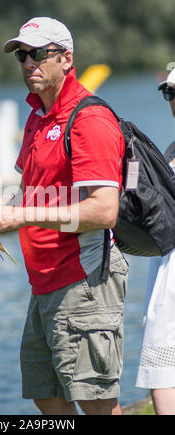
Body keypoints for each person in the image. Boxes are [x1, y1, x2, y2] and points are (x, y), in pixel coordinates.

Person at [0, 17, 128, 415]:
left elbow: (104, 210)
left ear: (67, 58)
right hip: (43, 284)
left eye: (40, 53)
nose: (28, 63)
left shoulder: (89, 118)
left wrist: (21, 218)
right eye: (23, 55)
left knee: (95, 402)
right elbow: (28, 193)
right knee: (48, 395)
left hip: (84, 279)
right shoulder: (38, 117)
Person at [135, 67, 175, 415]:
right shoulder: (170, 149)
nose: (174, 102)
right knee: (160, 349)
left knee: (160, 347)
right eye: (169, 94)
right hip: (166, 260)